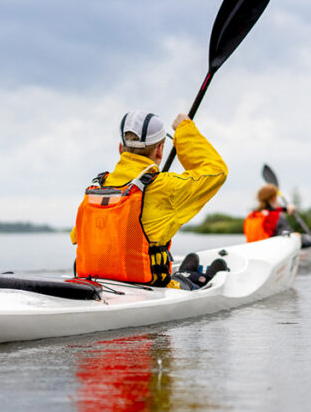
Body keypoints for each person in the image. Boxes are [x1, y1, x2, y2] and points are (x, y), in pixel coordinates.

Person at [71, 110, 229, 290]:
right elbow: (217, 171)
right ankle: (201, 275)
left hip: (95, 283)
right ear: (160, 150)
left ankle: (188, 272)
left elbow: (77, 237)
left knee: (187, 267)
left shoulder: (97, 188)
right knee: (218, 268)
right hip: (148, 287)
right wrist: (184, 131)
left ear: (121, 149)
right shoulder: (165, 187)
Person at [244, 184, 311, 247]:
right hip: (271, 252)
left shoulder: (251, 216)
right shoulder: (276, 216)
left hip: (252, 250)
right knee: (297, 235)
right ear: (274, 198)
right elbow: (290, 238)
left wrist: (285, 209)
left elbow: (271, 211)